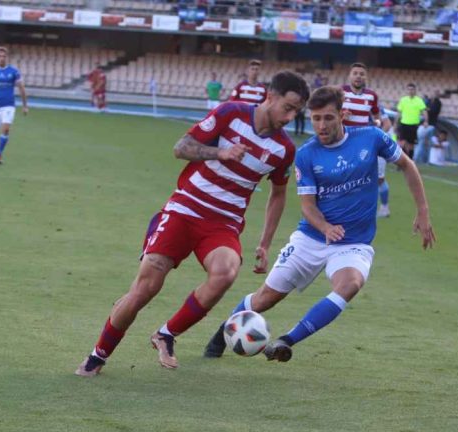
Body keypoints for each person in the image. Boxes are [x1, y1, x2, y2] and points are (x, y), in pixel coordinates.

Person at [75, 71, 311, 377]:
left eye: (297, 112)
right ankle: (98, 356)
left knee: (225, 272)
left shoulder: (283, 149)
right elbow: (181, 147)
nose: (290, 117)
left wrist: (265, 242)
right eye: (288, 107)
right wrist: (219, 152)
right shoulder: (231, 113)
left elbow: (278, 194)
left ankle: (166, 334)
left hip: (222, 224)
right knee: (144, 290)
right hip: (184, 210)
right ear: (270, 96)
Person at [202, 86, 435, 361]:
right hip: (311, 238)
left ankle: (286, 341)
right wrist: (325, 227)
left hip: (353, 243)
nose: (321, 126)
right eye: (315, 119)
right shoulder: (307, 154)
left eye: (328, 118)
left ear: (343, 115)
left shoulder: (372, 138)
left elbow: (407, 165)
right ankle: (223, 331)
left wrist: (423, 211)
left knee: (350, 284)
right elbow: (307, 205)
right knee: (266, 298)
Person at [338, 62, 393, 219]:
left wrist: (376, 134)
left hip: (365, 143)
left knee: (376, 178)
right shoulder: (340, 93)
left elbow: (381, 120)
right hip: (344, 142)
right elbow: (330, 114)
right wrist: (341, 116)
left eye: (361, 74)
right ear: (350, 75)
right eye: (355, 73)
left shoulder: (371, 97)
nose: (358, 76)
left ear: (366, 77)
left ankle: (383, 207)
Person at [396, 83, 428, 159]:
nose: (410, 91)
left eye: (412, 89)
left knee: (411, 145)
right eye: (409, 89)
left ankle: (410, 161)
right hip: (403, 124)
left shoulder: (419, 100)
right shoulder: (403, 100)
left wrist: (426, 121)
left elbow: (424, 111)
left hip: (413, 125)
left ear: (415, 90)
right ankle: (403, 161)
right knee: (402, 143)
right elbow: (399, 113)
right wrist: (395, 123)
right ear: (407, 90)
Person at [415, 91, 442, 164]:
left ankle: (418, 158)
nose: (434, 95)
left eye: (436, 94)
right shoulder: (429, 101)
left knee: (424, 141)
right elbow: (424, 109)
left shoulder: (438, 103)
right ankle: (420, 159)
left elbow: (433, 111)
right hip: (426, 124)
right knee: (423, 141)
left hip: (431, 124)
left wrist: (427, 109)